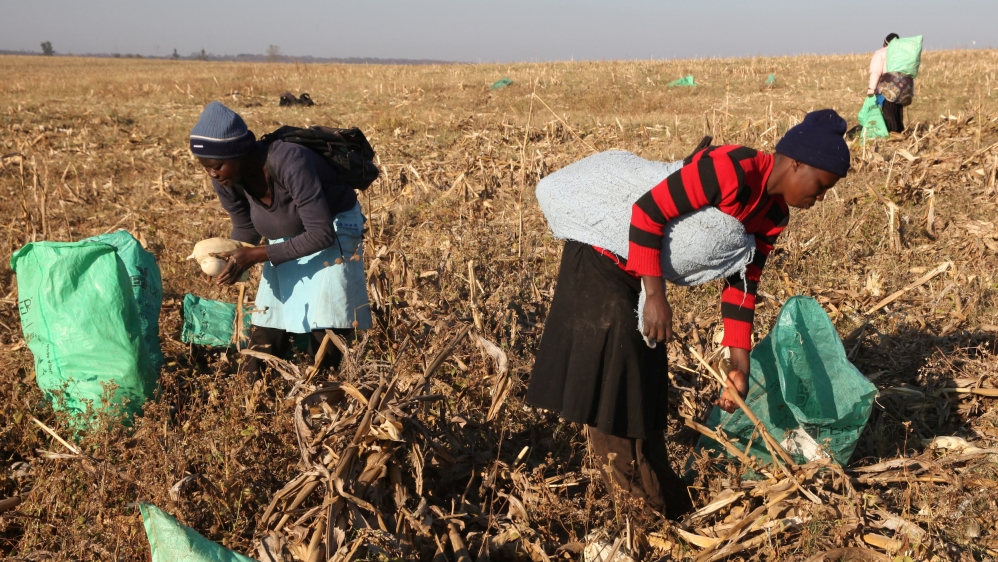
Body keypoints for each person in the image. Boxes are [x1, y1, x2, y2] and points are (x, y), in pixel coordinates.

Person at [527, 110, 850, 519]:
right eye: (821, 186)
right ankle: (641, 517)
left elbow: (743, 281)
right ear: (796, 163)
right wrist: (656, 295)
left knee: (645, 390)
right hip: (601, 257)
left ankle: (670, 503)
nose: (820, 198)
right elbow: (646, 212)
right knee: (616, 391)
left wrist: (739, 365)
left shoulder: (773, 214)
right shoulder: (731, 169)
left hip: (640, 273)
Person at [189, 101, 372, 378]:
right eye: (206, 167)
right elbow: (246, 229)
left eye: (217, 166)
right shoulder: (226, 180)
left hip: (333, 230)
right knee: (270, 314)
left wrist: (256, 255)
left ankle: (320, 387)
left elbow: (320, 234)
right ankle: (256, 390)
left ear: (240, 152)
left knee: (327, 317)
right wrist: (228, 258)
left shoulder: (290, 161)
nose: (212, 174)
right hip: (287, 237)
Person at [868, 33, 905, 133]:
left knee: (888, 113)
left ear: (885, 43)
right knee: (897, 113)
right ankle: (899, 133)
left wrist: (871, 88)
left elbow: (876, 72)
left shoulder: (881, 53)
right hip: (901, 88)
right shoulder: (902, 54)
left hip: (887, 88)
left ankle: (891, 134)